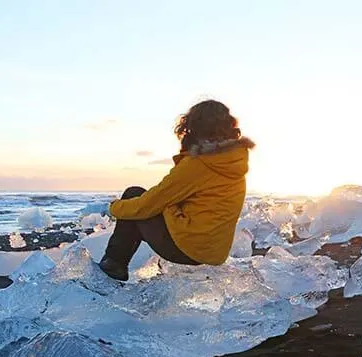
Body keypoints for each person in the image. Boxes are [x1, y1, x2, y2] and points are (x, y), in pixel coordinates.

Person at [99, 100, 255, 281]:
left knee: (134, 195)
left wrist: (112, 208)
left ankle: (112, 269)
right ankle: (115, 266)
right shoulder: (234, 162)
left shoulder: (199, 163)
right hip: (214, 252)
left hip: (187, 249)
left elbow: (148, 204)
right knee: (140, 208)